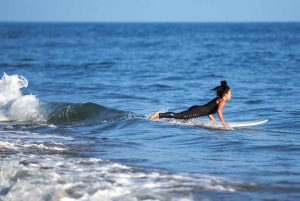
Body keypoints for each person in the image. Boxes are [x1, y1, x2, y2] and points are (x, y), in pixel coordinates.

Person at [149, 80, 231, 127]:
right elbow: (219, 111)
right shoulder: (222, 101)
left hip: (197, 108)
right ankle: (159, 115)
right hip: (197, 111)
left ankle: (165, 120)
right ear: (226, 93)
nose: (231, 95)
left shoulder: (218, 99)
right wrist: (223, 123)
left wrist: (215, 122)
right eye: (230, 93)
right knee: (179, 116)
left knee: (181, 119)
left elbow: (209, 112)